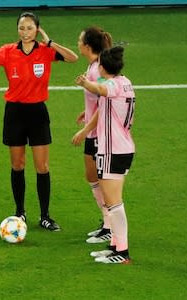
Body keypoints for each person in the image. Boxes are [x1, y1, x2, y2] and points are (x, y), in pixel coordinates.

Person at [0, 12, 78, 231]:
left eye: (30, 28)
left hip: (38, 113)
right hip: (15, 113)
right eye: (22, 28)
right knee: (17, 164)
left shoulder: (46, 51)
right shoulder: (8, 51)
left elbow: (73, 58)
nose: (25, 32)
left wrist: (49, 42)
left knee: (42, 166)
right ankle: (19, 211)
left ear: (37, 29)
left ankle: (45, 216)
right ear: (17, 30)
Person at [72, 46, 135, 264]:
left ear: (102, 67)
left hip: (113, 149)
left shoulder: (113, 84)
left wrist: (84, 83)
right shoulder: (125, 81)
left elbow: (101, 89)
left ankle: (123, 252)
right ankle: (115, 246)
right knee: (112, 200)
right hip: (121, 147)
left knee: (114, 202)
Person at [76, 26, 113, 244]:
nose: (77, 43)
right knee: (92, 176)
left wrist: (85, 129)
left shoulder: (97, 69)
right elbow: (97, 101)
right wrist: (86, 112)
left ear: (87, 46)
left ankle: (109, 226)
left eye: (79, 40)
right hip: (95, 130)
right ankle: (106, 221)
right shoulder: (93, 66)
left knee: (99, 178)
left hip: (99, 133)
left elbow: (104, 103)